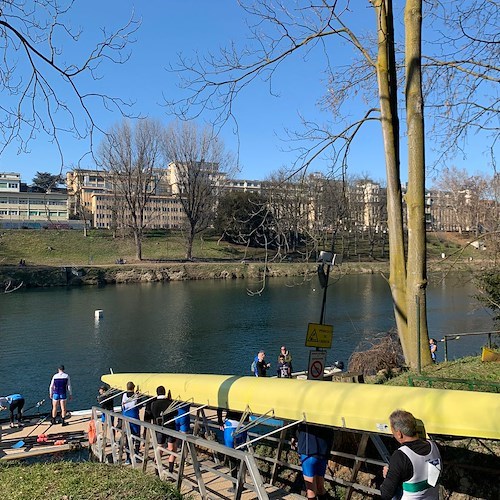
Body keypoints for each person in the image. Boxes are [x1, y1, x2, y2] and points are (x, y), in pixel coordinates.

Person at [380, 409, 442, 500]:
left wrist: (389, 475)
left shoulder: (400, 456)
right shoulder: (435, 447)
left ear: (399, 434)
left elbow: (386, 494)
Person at [293, 422, 335, 500]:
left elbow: (295, 423)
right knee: (320, 487)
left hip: (308, 449)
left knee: (310, 490)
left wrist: (293, 435)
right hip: (323, 449)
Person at [217, 408, 248, 492]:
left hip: (230, 426)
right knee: (242, 456)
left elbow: (219, 408)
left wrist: (220, 421)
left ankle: (235, 485)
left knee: (231, 457)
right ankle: (242, 482)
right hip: (243, 426)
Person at [150, 385, 177, 474]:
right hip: (170, 427)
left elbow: (153, 414)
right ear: (164, 392)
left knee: (160, 448)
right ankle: (170, 471)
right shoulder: (169, 402)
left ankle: (157, 470)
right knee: (171, 449)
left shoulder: (153, 403)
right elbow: (175, 412)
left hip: (159, 427)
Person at [121, 381, 140, 464]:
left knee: (128, 438)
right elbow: (139, 406)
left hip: (126, 418)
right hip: (134, 418)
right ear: (133, 388)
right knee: (137, 436)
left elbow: (122, 406)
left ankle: (128, 458)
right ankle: (136, 455)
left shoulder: (124, 395)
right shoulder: (136, 396)